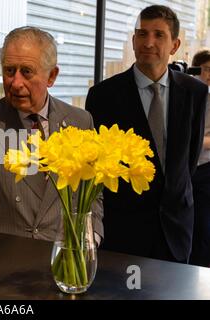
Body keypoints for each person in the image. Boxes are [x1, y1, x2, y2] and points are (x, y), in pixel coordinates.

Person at [0, 26, 104, 242]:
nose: (16, 82)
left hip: (63, 264)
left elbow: (93, 193)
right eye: (9, 71)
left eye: (26, 72)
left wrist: (90, 238)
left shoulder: (81, 121)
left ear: (52, 76)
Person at [85, 5, 207, 263]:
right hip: (124, 230)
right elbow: (99, 166)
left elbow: (189, 159)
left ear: (174, 45)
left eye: (158, 35)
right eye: (142, 34)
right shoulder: (103, 95)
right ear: (133, 40)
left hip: (176, 229)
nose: (148, 42)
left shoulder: (195, 92)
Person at [189, 49, 210, 267]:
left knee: (203, 225)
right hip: (185, 169)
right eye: (206, 69)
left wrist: (195, 140)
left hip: (205, 169)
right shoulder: (188, 95)